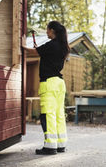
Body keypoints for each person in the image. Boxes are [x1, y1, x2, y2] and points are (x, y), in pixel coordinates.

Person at [22, 21, 70, 155]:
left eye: (47, 30)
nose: (47, 32)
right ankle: (61, 144)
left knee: (48, 115)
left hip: (49, 84)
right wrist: (39, 50)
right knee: (59, 114)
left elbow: (33, 51)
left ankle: (50, 146)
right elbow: (43, 53)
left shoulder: (51, 45)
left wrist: (22, 45)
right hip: (60, 84)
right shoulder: (63, 46)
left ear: (52, 30)